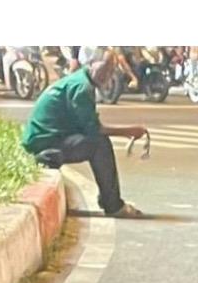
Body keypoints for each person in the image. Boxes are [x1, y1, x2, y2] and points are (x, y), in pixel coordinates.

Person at [21, 52, 137, 219]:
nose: (107, 75)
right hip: (45, 143)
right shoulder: (82, 88)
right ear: (90, 64)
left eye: (112, 71)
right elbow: (94, 130)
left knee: (96, 142)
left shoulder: (78, 81)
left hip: (48, 138)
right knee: (100, 145)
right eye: (104, 68)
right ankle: (113, 205)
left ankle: (107, 198)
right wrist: (129, 131)